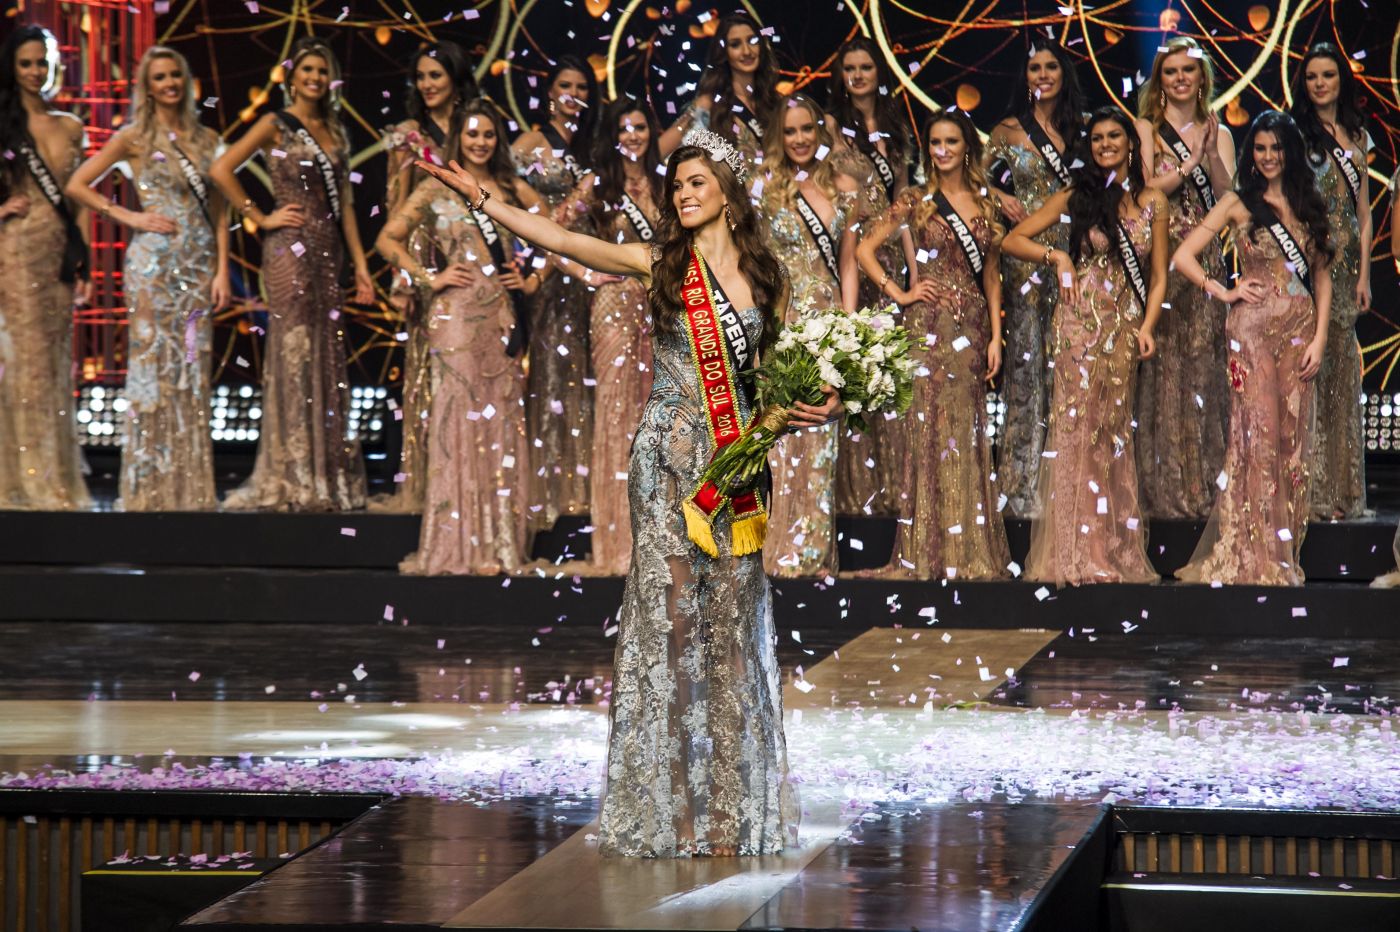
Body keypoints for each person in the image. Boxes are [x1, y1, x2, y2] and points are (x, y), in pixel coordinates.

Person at [418, 127, 841, 857]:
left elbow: (778, 378)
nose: (682, 194)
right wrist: (484, 199)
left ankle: (733, 811)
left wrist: (822, 403)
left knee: (732, 636)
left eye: (697, 183)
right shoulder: (658, 263)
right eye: (676, 185)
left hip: (735, 466)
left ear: (730, 193)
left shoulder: (769, 280)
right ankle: (670, 809)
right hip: (668, 462)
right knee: (673, 630)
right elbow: (559, 238)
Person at [1002, 107, 1167, 586]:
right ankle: (1075, 551)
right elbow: (1013, 239)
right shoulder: (1076, 197)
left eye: (1114, 136)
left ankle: (1110, 548)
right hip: (1078, 327)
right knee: (1077, 434)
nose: (1105, 144)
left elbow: (1157, 278)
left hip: (1123, 328)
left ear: (1131, 144)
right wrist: (1056, 256)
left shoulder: (1153, 200)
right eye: (1097, 138)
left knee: (1111, 434)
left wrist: (1149, 326)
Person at [210, 37, 373, 511]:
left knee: (325, 356)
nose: (315, 78)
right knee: (294, 354)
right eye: (307, 70)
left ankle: (324, 473)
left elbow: (346, 208)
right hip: (289, 251)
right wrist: (259, 217)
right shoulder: (274, 125)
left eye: (323, 71)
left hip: (328, 254)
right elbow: (221, 168)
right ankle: (294, 473)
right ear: (291, 75)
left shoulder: (336, 131)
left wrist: (361, 265)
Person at [377, 101, 539, 575]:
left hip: (501, 321)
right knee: (457, 425)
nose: (480, 143)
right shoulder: (434, 187)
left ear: (498, 139)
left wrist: (530, 276)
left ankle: (498, 543)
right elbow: (387, 239)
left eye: (489, 134)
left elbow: (555, 227)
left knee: (498, 427)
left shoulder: (510, 187)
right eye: (472, 135)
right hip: (453, 320)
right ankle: (456, 544)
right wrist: (429, 277)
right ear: (458, 140)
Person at [66, 46, 228, 512]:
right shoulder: (133, 138)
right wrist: (128, 217)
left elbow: (220, 211)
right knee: (153, 375)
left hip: (198, 271)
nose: (169, 83)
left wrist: (222, 267)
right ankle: (148, 490)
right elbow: (78, 184)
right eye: (159, 77)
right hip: (152, 272)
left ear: (186, 80)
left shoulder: (208, 140)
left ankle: (189, 489)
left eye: (175, 74)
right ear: (148, 86)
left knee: (192, 373)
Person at [1174, 112, 1332, 587]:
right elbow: (1183, 254)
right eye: (1259, 149)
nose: (1267, 157)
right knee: (1257, 437)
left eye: (1275, 148)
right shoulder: (1238, 204)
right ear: (1251, 154)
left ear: (1290, 151)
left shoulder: (1308, 204)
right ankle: (1255, 554)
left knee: (1290, 442)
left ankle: (1282, 550)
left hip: (1300, 331)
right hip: (1251, 332)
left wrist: (1322, 337)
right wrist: (1222, 290)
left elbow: (1322, 276)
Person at [856, 109, 1010, 580]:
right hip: (925, 326)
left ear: (968, 147)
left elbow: (990, 273)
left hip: (972, 326)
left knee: (964, 430)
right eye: (936, 143)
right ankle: (925, 550)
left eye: (952, 142)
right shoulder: (915, 200)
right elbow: (865, 249)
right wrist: (899, 292)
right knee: (925, 432)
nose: (943, 151)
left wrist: (998, 336)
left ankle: (967, 551)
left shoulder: (986, 202)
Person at [550, 97, 661, 575]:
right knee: (618, 418)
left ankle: (657, 537)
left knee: (656, 417)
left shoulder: (663, 183)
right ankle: (617, 542)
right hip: (614, 310)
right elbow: (552, 235)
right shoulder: (599, 184)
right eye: (625, 127)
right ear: (612, 134)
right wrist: (584, 273)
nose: (634, 135)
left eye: (640, 127)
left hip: (660, 313)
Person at [757, 94, 863, 578]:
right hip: (781, 320)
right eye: (790, 131)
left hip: (826, 324)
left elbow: (847, 261)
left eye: (807, 130)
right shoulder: (764, 187)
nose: (799, 139)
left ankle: (813, 554)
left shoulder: (841, 186)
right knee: (782, 438)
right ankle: (776, 550)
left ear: (819, 133)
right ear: (779, 136)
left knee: (820, 437)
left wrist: (850, 325)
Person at [1133, 36, 1235, 519]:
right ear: (1160, 80)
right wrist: (1189, 161)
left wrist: (1211, 153)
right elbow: (1146, 187)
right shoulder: (1145, 128)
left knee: (1201, 369)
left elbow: (1229, 199)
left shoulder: (1221, 131)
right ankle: (1163, 486)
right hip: (1156, 258)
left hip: (1203, 259)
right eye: (1170, 71)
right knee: (1162, 370)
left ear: (1200, 78)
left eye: (1187, 71)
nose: (1178, 79)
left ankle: (1202, 486)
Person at [985, 35, 1087, 517]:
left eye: (1050, 67)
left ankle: (1068, 484)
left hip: (1078, 261)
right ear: (1023, 78)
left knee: (1069, 368)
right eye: (1033, 68)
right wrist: (994, 195)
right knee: (1027, 368)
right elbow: (966, 180)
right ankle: (1022, 488)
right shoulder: (1006, 131)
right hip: (1025, 259)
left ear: (1064, 73)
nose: (1042, 75)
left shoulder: (1083, 130)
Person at [377, 40, 479, 513]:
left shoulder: (476, 124)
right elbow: (396, 200)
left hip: (468, 246)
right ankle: (425, 483)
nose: (427, 85)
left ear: (455, 78)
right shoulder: (407, 135)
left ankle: (467, 477)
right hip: (422, 251)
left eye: (435, 75)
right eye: (421, 77)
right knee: (424, 368)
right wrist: (407, 277)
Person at [0, 25, 92, 511]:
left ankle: (54, 477)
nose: (35, 71)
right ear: (11, 69)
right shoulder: (4, 125)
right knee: (25, 364)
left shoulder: (71, 126)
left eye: (41, 62)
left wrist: (86, 264)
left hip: (58, 256)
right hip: (14, 252)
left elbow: (80, 204)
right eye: (25, 63)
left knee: (56, 366)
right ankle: (26, 482)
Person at [825, 35, 915, 517]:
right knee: (859, 370)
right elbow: (846, 194)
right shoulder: (833, 124)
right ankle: (858, 495)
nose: (858, 75)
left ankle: (895, 491)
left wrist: (912, 267)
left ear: (879, 72)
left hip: (890, 251)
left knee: (891, 371)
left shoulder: (897, 125)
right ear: (841, 75)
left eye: (866, 67)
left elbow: (903, 201)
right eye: (850, 68)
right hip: (854, 242)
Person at [512, 55, 599, 531]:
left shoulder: (596, 143)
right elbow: (514, 211)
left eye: (581, 86)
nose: (572, 93)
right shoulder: (527, 145)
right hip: (548, 272)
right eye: (564, 84)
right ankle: (550, 490)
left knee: (590, 375)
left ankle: (587, 486)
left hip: (598, 270)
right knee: (552, 374)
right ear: (549, 91)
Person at [1292, 42, 1372, 520]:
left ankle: (1343, 491)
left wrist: (1365, 272)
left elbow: (1363, 212)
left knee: (1343, 375)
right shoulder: (1298, 135)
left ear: (1341, 80)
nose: (1320, 84)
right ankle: (1312, 491)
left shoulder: (1358, 136)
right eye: (1312, 77)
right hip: (1310, 265)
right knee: (1311, 373)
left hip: (1348, 271)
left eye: (1328, 75)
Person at [657, 11, 779, 165]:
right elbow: (658, 151)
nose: (747, 51)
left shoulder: (775, 101)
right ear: (724, 51)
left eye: (752, 40)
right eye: (735, 44)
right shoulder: (708, 103)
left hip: (779, 188)